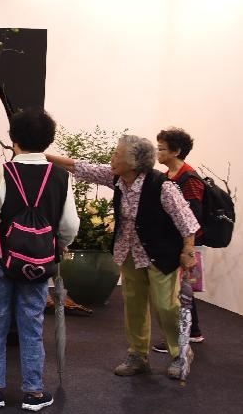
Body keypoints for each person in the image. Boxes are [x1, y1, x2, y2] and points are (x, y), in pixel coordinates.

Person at [46, 135, 199, 379]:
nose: (112, 158)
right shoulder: (117, 177)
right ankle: (138, 355)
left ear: (134, 161)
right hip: (128, 252)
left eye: (117, 154)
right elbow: (80, 167)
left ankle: (180, 352)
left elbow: (187, 222)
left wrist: (188, 252)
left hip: (160, 254)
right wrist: (40, 156)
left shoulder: (162, 186)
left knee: (165, 305)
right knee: (134, 305)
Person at [0, 108, 79, 412]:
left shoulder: (0, 173)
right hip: (37, 263)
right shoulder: (60, 177)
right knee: (31, 321)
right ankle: (33, 392)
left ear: (13, 140)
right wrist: (56, 245)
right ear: (48, 140)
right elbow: (70, 225)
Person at [153, 128, 206, 352]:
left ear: (176, 151)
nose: (158, 152)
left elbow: (193, 215)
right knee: (181, 288)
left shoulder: (189, 178)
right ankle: (192, 333)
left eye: (162, 148)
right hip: (171, 241)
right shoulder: (166, 177)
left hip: (183, 242)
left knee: (176, 292)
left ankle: (180, 338)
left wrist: (188, 248)